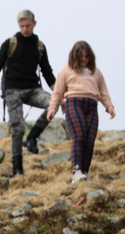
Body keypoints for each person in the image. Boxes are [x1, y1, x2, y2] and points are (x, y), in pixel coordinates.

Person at [0, 9, 56, 177]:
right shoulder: (10, 43)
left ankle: (32, 137)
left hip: (33, 88)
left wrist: (59, 94)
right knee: (17, 127)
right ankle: (17, 169)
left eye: (28, 25)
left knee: (52, 105)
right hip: (12, 90)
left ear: (34, 24)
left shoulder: (39, 46)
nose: (25, 29)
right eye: (22, 26)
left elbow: (47, 72)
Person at [46, 41, 117, 184]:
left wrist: (109, 106)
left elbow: (103, 92)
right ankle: (76, 170)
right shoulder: (66, 71)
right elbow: (58, 92)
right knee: (79, 135)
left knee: (90, 139)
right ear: (75, 57)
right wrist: (52, 108)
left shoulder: (96, 71)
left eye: (86, 56)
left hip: (92, 106)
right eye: (81, 57)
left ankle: (85, 172)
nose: (84, 59)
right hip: (74, 103)